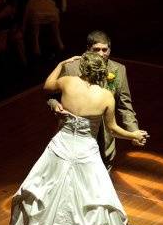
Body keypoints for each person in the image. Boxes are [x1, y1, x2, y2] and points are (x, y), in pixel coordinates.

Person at [2, 52, 149, 225]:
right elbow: (112, 129)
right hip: (86, 150)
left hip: (61, 145)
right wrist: (134, 135)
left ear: (82, 69)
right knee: (93, 196)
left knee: (47, 192)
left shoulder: (68, 82)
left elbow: (47, 86)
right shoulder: (106, 97)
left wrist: (61, 63)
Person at [48, 31, 140, 171]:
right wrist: (54, 105)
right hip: (75, 135)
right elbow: (50, 93)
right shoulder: (71, 68)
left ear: (110, 49)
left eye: (105, 49)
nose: (101, 53)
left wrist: (134, 131)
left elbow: (125, 105)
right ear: (88, 49)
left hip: (105, 136)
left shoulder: (119, 70)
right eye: (96, 49)